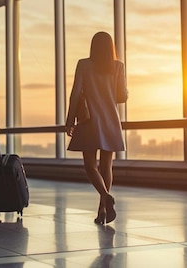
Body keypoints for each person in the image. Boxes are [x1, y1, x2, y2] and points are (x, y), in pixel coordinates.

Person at [65, 31, 128, 224]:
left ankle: (105, 197)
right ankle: (102, 209)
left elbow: (75, 94)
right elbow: (121, 97)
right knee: (106, 166)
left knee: (90, 166)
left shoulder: (84, 64)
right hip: (110, 120)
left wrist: (69, 120)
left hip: (89, 121)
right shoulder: (118, 66)